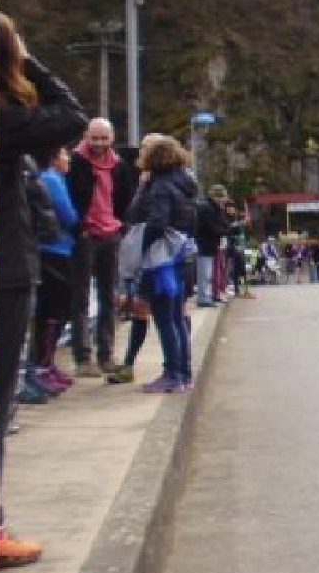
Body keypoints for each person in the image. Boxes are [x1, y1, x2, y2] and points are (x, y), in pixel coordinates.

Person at [0, 13, 88, 568]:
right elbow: (70, 115)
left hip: (5, 267)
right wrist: (22, 58)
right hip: (8, 271)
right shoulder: (7, 116)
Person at [126, 135, 199, 392]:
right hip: (182, 256)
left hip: (162, 259)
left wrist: (141, 246)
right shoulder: (186, 182)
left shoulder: (159, 185)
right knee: (177, 317)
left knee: (164, 318)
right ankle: (184, 373)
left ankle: (172, 373)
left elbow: (146, 218)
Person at [66, 118, 136, 378]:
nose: (99, 144)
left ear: (112, 138)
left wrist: (120, 225)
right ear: (86, 136)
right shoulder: (75, 163)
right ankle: (83, 357)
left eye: (103, 139)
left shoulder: (118, 166)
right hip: (85, 235)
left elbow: (126, 198)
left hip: (110, 233)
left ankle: (106, 355)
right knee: (81, 297)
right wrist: (79, 227)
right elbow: (69, 198)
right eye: (94, 138)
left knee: (110, 296)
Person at [27, 147, 80, 392]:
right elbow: (67, 214)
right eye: (64, 155)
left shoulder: (55, 178)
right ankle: (42, 365)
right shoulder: (51, 178)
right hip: (54, 250)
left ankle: (47, 364)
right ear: (54, 158)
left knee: (58, 311)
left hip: (60, 249)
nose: (68, 159)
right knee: (53, 311)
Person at [194, 184, 230, 306]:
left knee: (207, 272)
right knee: (205, 273)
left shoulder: (210, 207)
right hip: (205, 243)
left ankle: (206, 296)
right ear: (217, 197)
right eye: (223, 197)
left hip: (208, 243)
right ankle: (203, 297)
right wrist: (226, 231)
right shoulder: (208, 209)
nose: (225, 200)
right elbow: (213, 228)